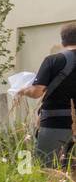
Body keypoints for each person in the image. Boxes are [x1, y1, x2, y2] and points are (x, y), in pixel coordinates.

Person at [17, 24, 76, 169]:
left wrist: (23, 90)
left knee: (48, 170)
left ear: (63, 41)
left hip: (55, 123)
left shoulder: (53, 60)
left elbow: (37, 92)